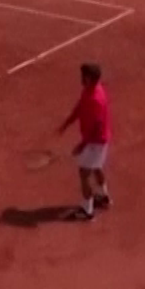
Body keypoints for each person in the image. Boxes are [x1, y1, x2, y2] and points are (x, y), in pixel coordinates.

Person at [57, 63, 113, 221]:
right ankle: (103, 197)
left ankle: (87, 211)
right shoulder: (91, 89)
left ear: (88, 78)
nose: (81, 78)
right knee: (96, 167)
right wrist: (68, 122)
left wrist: (83, 145)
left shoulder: (96, 99)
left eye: (83, 75)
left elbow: (98, 126)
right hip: (98, 140)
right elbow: (81, 106)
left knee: (84, 172)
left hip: (97, 141)